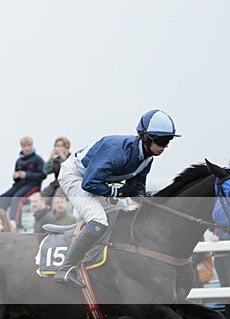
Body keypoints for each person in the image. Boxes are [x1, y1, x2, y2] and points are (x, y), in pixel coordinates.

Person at [55, 109, 179, 287]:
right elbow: (89, 184)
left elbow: (136, 190)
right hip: (75, 176)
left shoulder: (147, 158)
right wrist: (119, 193)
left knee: (120, 215)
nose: (164, 146)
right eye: (161, 141)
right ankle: (65, 269)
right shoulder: (117, 151)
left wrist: (147, 199)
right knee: (98, 221)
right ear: (145, 137)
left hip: (95, 179)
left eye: (168, 141)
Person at [0, 136, 46, 226]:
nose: (27, 148)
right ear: (21, 147)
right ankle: (0, 221)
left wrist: (27, 175)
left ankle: (13, 222)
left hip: (33, 185)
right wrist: (16, 176)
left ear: (32, 146)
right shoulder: (19, 161)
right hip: (19, 185)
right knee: (3, 197)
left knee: (17, 197)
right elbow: (17, 178)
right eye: (24, 146)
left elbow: (43, 175)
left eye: (29, 145)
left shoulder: (38, 159)